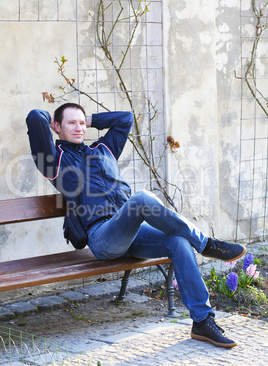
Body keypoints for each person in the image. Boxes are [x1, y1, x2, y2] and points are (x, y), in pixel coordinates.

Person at [26, 103, 246, 348]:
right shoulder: (54, 161)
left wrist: (87, 119)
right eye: (70, 123)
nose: (78, 128)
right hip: (102, 237)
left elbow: (125, 118)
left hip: (131, 232)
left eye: (81, 123)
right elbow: (35, 117)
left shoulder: (104, 149)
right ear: (56, 127)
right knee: (141, 199)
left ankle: (203, 321)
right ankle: (206, 244)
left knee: (179, 242)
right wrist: (53, 118)